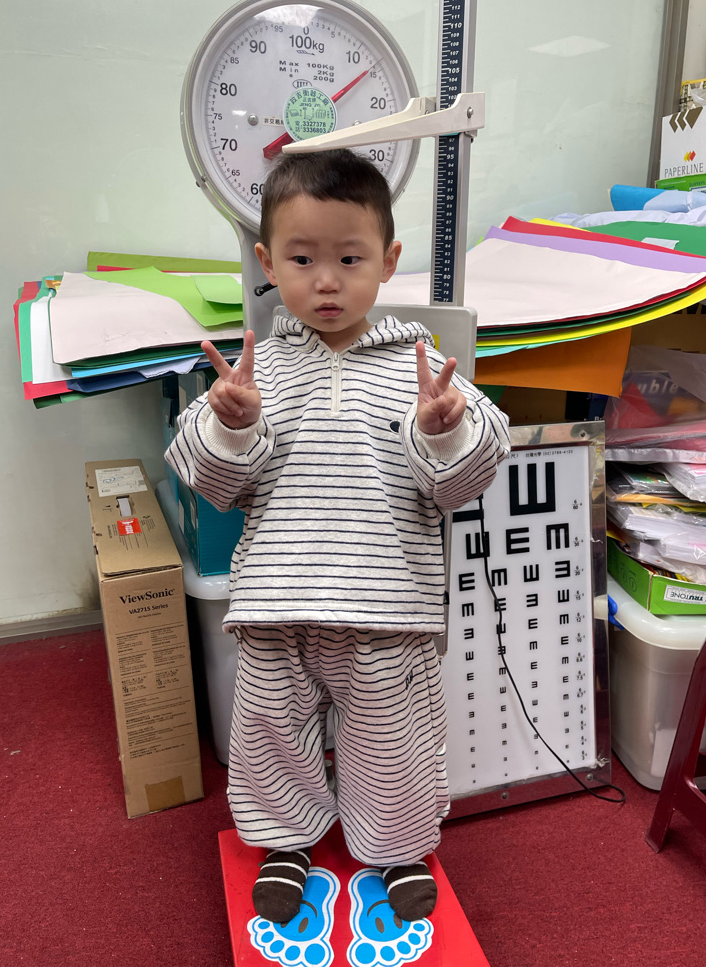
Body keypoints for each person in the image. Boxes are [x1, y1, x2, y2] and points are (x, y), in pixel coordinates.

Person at [165, 149, 510, 925]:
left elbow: (465, 480)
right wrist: (230, 425)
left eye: (349, 259)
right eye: (302, 259)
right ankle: (285, 842)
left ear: (387, 260)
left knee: (392, 742)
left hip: (387, 607)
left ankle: (396, 847)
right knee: (269, 737)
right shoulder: (255, 371)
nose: (326, 281)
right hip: (276, 603)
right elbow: (207, 480)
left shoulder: (424, 368)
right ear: (267, 263)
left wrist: (444, 431)